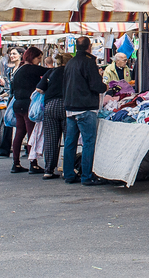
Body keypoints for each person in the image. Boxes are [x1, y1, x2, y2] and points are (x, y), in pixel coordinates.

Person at [63, 36, 108, 186]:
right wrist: (105, 87)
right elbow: (96, 85)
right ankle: (87, 176)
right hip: (85, 107)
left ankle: (69, 174)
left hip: (70, 107)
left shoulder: (70, 62)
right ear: (89, 47)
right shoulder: (88, 62)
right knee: (88, 142)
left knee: (70, 142)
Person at [9, 47, 48, 174]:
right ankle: (33, 164)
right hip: (28, 105)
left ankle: (16, 163)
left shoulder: (18, 70)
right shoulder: (32, 68)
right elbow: (49, 72)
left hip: (17, 104)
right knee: (32, 134)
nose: (39, 61)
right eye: (38, 58)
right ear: (32, 57)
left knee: (19, 134)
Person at [36, 52, 70, 179]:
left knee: (51, 139)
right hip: (67, 106)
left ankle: (48, 170)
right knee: (68, 139)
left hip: (50, 106)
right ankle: (67, 170)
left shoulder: (51, 72)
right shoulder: (70, 72)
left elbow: (39, 89)